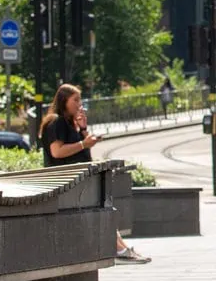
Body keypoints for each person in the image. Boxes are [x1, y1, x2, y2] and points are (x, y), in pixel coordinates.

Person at [41, 84, 151, 265]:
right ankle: (119, 250)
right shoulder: (56, 121)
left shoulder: (69, 124)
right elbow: (57, 152)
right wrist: (84, 143)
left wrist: (83, 130)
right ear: (63, 101)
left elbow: (82, 152)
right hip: (66, 181)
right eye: (75, 100)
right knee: (102, 209)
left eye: (80, 100)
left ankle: (121, 248)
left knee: (104, 208)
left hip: (78, 179)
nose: (79, 104)